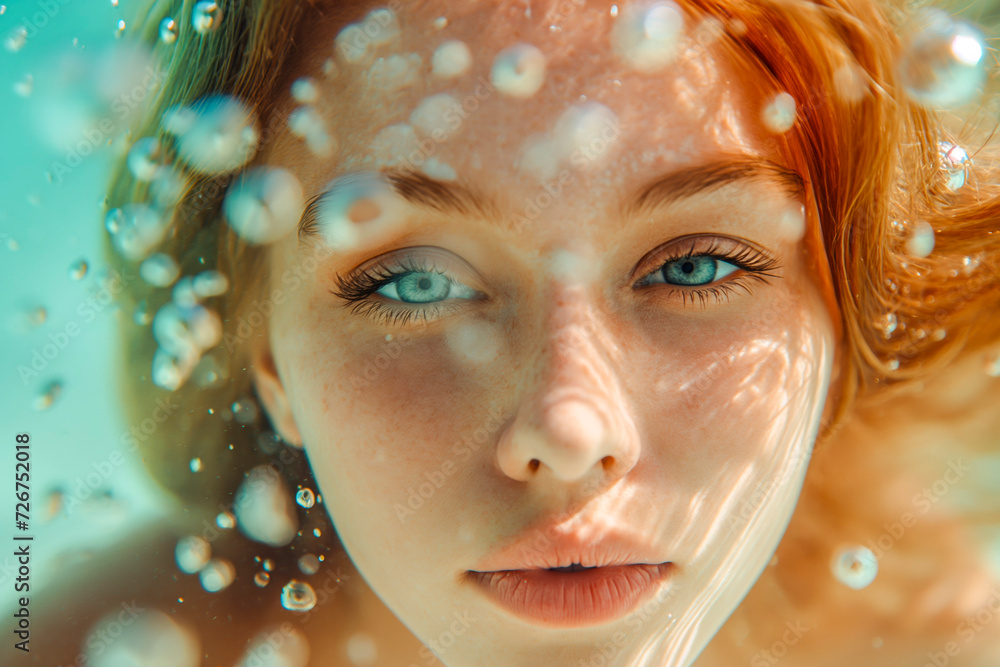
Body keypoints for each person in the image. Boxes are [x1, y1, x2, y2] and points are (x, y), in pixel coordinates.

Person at [34, 0, 1000, 665]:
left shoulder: (934, 633)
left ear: (841, 313)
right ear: (267, 354)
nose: (569, 432)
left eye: (694, 266)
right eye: (415, 282)